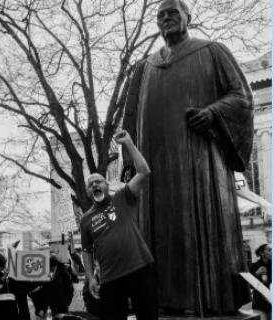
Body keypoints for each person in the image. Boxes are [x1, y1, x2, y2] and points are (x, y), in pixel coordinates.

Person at [122, 0, 254, 316]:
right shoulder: (144, 67)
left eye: (172, 13)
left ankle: (208, 301)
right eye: (161, 15)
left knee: (197, 231)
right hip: (155, 169)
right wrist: (129, 162)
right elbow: (128, 120)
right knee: (157, 234)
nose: (166, 19)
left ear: (187, 18)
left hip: (199, 164)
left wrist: (212, 113)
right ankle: (162, 301)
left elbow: (242, 97)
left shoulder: (212, 51)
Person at [80, 129, 157, 320]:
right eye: (91, 184)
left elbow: (144, 172)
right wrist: (90, 277)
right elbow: (86, 250)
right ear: (89, 193)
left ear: (106, 186)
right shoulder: (85, 219)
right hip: (110, 278)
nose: (95, 185)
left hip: (139, 268)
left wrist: (128, 143)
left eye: (99, 181)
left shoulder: (123, 197)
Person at [250, 244, 272, 320]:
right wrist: (256, 274)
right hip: (260, 303)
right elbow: (250, 286)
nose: (271, 252)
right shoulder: (254, 266)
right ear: (261, 253)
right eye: (269, 250)